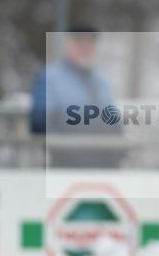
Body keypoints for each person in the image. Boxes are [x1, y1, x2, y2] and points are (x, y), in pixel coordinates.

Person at [30, 24, 122, 168]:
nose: (85, 48)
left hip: (104, 163)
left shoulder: (101, 81)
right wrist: (66, 147)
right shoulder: (51, 78)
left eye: (90, 42)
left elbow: (113, 123)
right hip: (67, 162)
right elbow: (40, 121)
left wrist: (118, 149)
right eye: (79, 42)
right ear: (68, 44)